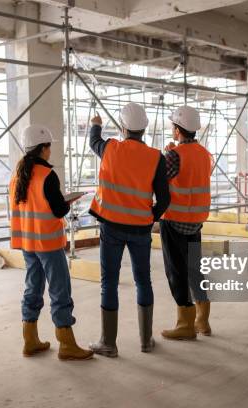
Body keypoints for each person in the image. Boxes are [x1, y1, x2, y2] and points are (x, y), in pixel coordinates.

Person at [87, 103, 170, 357]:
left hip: (111, 227)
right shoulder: (156, 157)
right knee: (142, 281)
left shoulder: (110, 148)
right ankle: (146, 341)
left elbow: (94, 141)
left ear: (123, 128)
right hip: (140, 230)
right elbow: (164, 200)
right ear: (144, 128)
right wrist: (149, 216)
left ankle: (108, 344)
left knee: (109, 283)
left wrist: (96, 123)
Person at [9, 124, 93, 361]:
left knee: (32, 288)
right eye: (49, 147)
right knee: (60, 291)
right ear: (43, 148)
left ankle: (30, 340)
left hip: (27, 242)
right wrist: (69, 201)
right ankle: (66, 344)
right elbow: (58, 210)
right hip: (48, 243)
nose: (50, 151)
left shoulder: (18, 174)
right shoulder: (47, 175)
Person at [160, 106, 213, 340]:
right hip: (196, 220)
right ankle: (203, 321)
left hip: (174, 220)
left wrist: (166, 155)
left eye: (173, 126)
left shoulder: (174, 155)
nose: (172, 129)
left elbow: (162, 180)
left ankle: (185, 324)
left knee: (176, 271)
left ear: (178, 129)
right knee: (195, 270)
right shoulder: (203, 153)